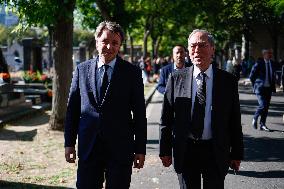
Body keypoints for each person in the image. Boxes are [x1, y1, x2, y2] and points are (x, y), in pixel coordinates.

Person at [64, 21, 147, 189]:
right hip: (89, 147)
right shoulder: (81, 70)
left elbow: (139, 114)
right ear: (96, 41)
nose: (109, 46)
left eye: (115, 43)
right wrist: (69, 143)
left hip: (120, 149)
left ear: (120, 45)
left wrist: (140, 149)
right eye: (105, 41)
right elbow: (72, 110)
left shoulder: (132, 73)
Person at [159, 29, 244, 189]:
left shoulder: (227, 81)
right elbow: (166, 118)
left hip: (215, 150)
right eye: (192, 46)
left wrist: (237, 153)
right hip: (186, 150)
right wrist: (164, 150)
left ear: (212, 48)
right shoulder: (176, 78)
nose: (197, 50)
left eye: (202, 45)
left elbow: (234, 120)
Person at [249, 49, 277, 131]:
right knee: (262, 105)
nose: (270, 55)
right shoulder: (259, 63)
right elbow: (251, 75)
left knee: (266, 107)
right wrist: (255, 84)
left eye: (270, 53)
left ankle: (262, 124)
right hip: (260, 88)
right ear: (264, 54)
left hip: (268, 89)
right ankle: (255, 118)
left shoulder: (272, 63)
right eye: (268, 53)